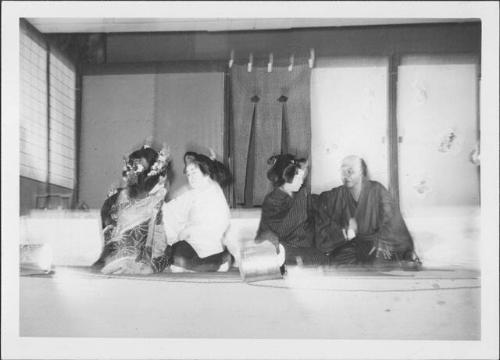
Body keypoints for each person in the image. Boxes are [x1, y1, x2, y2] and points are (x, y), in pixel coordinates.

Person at [314, 155, 420, 267]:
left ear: (362, 173)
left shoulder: (377, 191)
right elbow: (323, 232)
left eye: (351, 170)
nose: (346, 175)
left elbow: (393, 224)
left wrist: (382, 244)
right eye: (343, 170)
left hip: (376, 248)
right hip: (347, 249)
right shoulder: (335, 196)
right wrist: (346, 233)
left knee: (384, 267)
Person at [92, 144, 171, 275]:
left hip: (144, 255)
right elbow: (111, 231)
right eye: (131, 168)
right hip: (118, 251)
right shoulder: (119, 197)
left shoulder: (159, 198)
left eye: (137, 169)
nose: (132, 172)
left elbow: (160, 239)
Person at [161, 151, 232, 272]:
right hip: (192, 239)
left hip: (209, 242)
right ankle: (212, 262)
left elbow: (219, 222)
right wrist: (158, 203)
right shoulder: (193, 191)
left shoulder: (213, 190)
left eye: (194, 172)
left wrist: (190, 231)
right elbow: (174, 210)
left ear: (205, 172)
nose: (190, 177)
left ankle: (218, 260)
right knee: (172, 251)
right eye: (188, 174)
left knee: (178, 255)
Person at [255, 154, 330, 266]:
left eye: (302, 177)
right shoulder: (273, 200)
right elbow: (277, 231)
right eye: (298, 178)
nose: (301, 181)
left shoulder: (300, 194)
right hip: (283, 247)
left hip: (303, 245)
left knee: (327, 257)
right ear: (286, 178)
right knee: (322, 261)